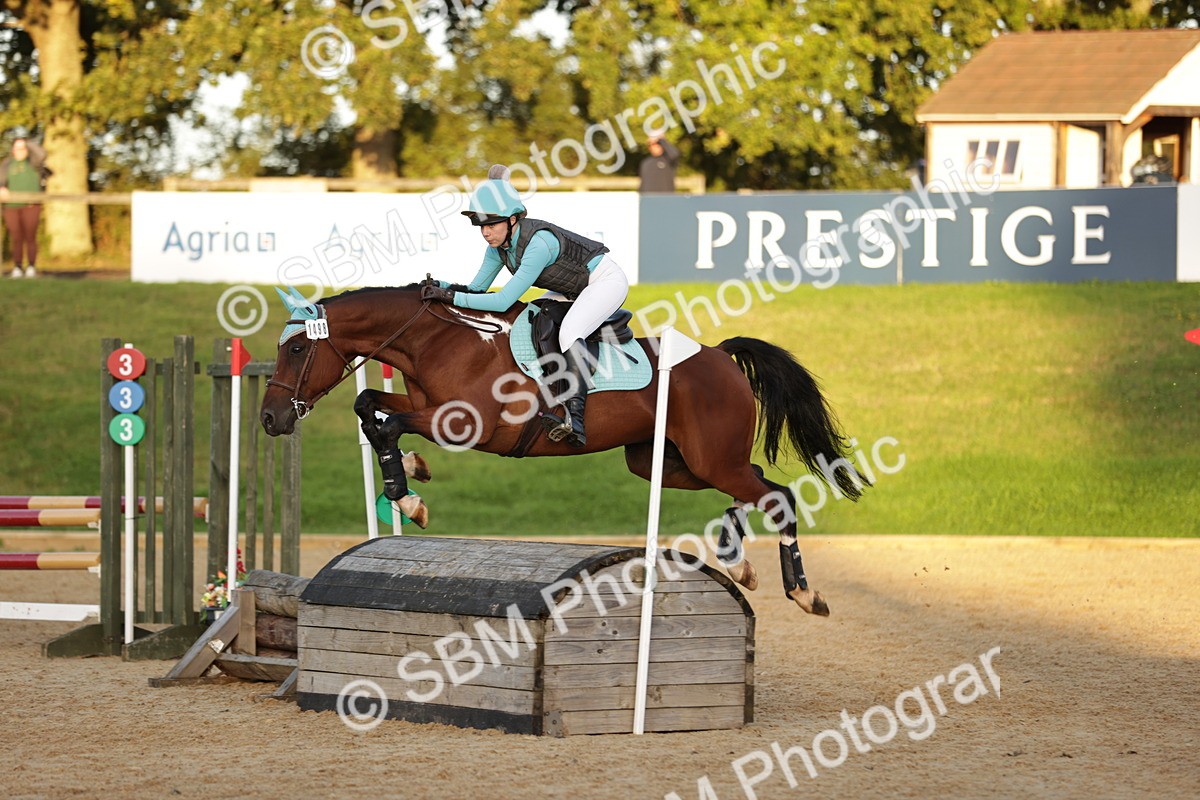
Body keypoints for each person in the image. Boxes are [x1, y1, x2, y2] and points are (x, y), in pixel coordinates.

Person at [421, 165, 630, 448]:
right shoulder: (498, 248)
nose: (485, 232)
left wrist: (450, 297)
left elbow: (502, 301)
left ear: (513, 219)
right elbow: (477, 290)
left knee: (569, 332)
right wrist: (442, 286)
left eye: (492, 224)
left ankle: (576, 420)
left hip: (606, 281)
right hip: (574, 288)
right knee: (532, 317)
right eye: (481, 226)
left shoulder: (539, 244)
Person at [0, 136, 50, 278]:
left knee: (30, 237)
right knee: (16, 237)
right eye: (17, 148)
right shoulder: (7, 164)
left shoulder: (33, 162)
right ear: (13, 150)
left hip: (31, 205)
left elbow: (42, 154)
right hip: (11, 206)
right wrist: (2, 187)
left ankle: (31, 267)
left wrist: (28, 143)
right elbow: (1, 180)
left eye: (23, 148)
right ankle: (17, 267)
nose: (20, 151)